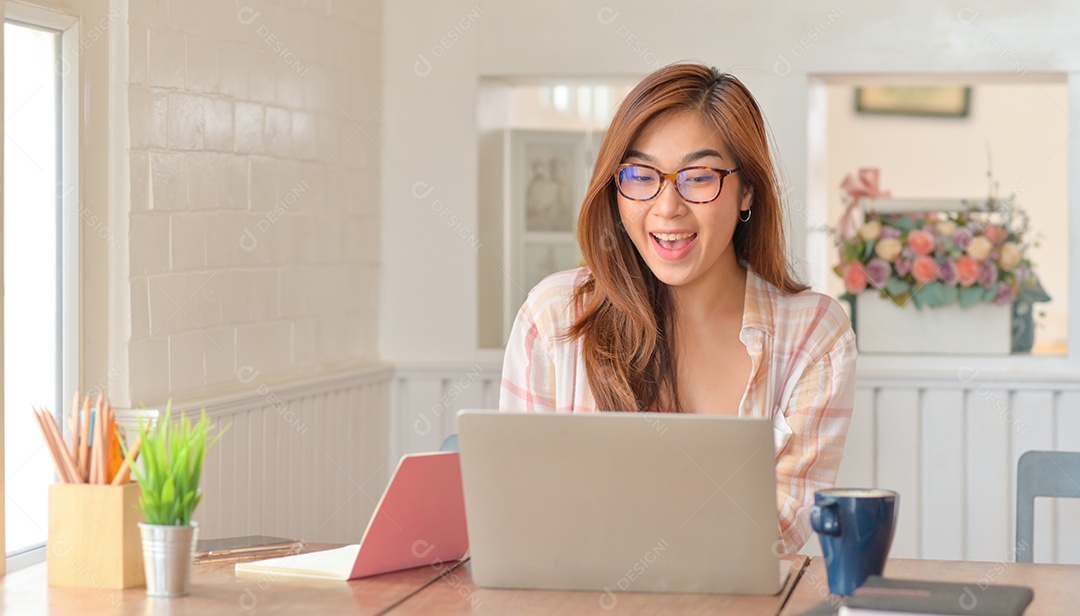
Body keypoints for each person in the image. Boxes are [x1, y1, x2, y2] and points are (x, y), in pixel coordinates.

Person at [498, 63, 857, 553]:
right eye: (641, 176)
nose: (667, 207)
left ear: (747, 188)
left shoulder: (814, 333)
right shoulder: (555, 315)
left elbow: (780, 529)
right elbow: (521, 508)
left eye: (698, 177)